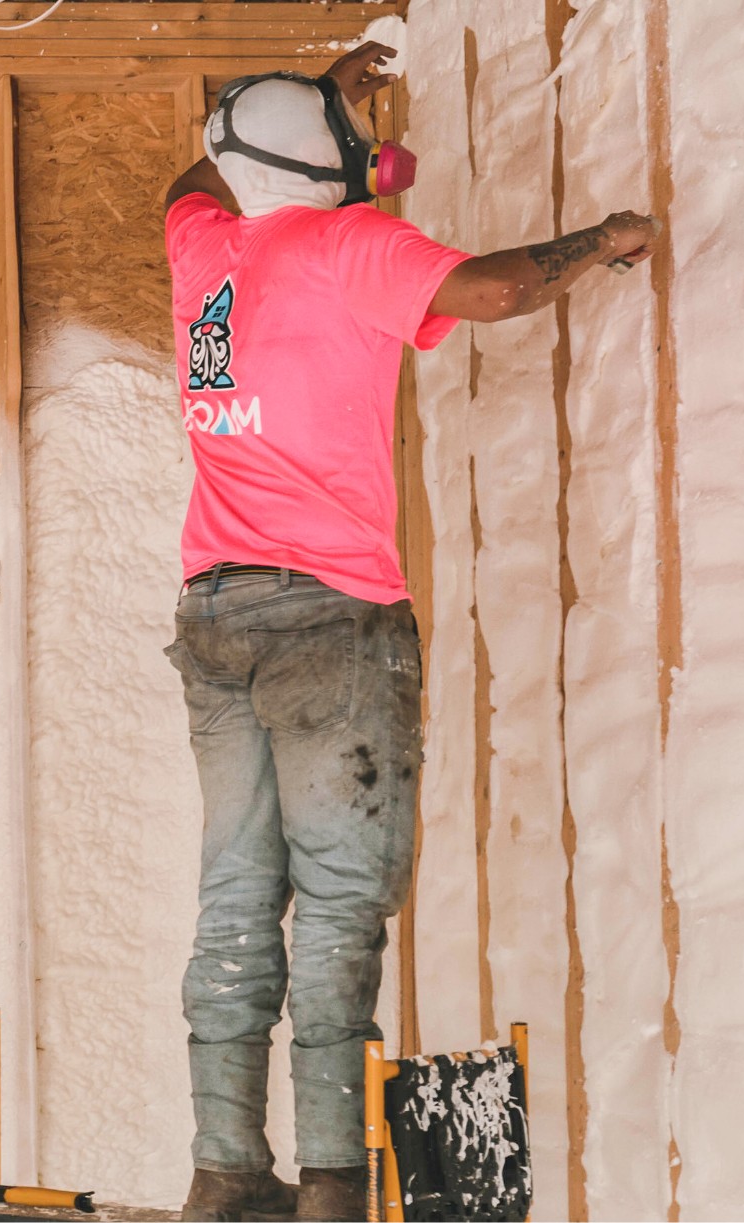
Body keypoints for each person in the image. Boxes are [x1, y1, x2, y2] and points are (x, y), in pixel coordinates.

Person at [158, 41, 657, 1222]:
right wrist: (605, 240)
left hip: (216, 613)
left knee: (237, 895)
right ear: (339, 167)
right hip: (332, 618)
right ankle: (334, 1179)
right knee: (336, 901)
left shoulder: (203, 251)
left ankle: (226, 1169)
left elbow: (184, 180)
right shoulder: (351, 246)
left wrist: (309, 92)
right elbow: (493, 290)